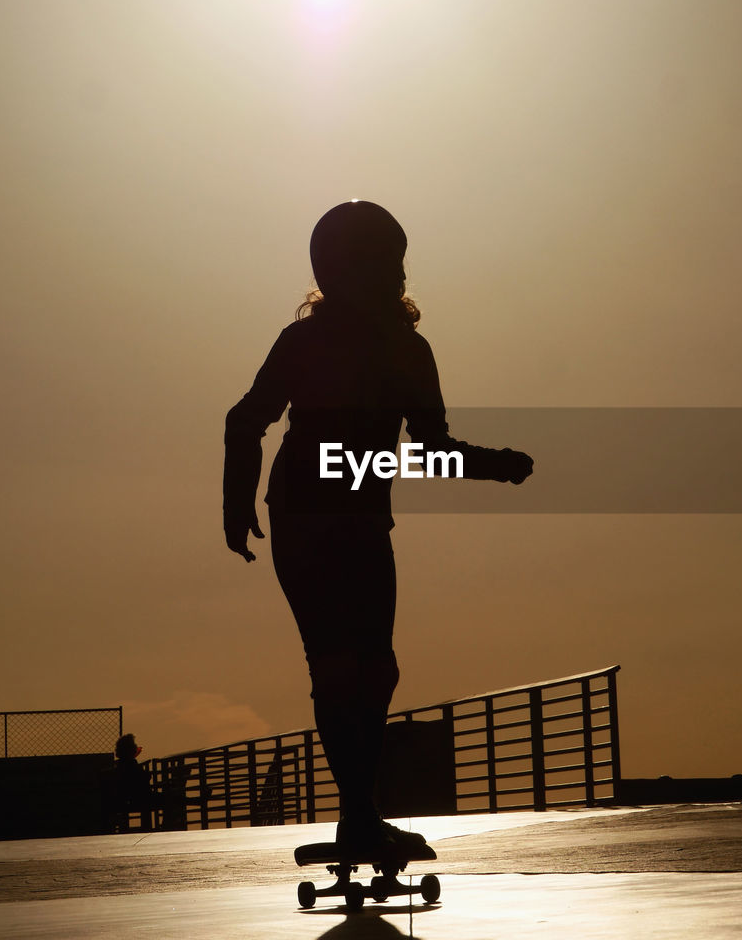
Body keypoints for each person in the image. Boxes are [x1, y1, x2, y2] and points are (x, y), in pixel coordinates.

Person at [223, 201, 532, 854]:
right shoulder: (305, 342)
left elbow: (428, 444)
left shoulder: (408, 350)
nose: (385, 274)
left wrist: (494, 466)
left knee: (377, 668)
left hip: (360, 519)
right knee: (340, 664)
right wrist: (236, 501)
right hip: (306, 516)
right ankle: (358, 813)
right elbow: (246, 418)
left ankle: (359, 810)